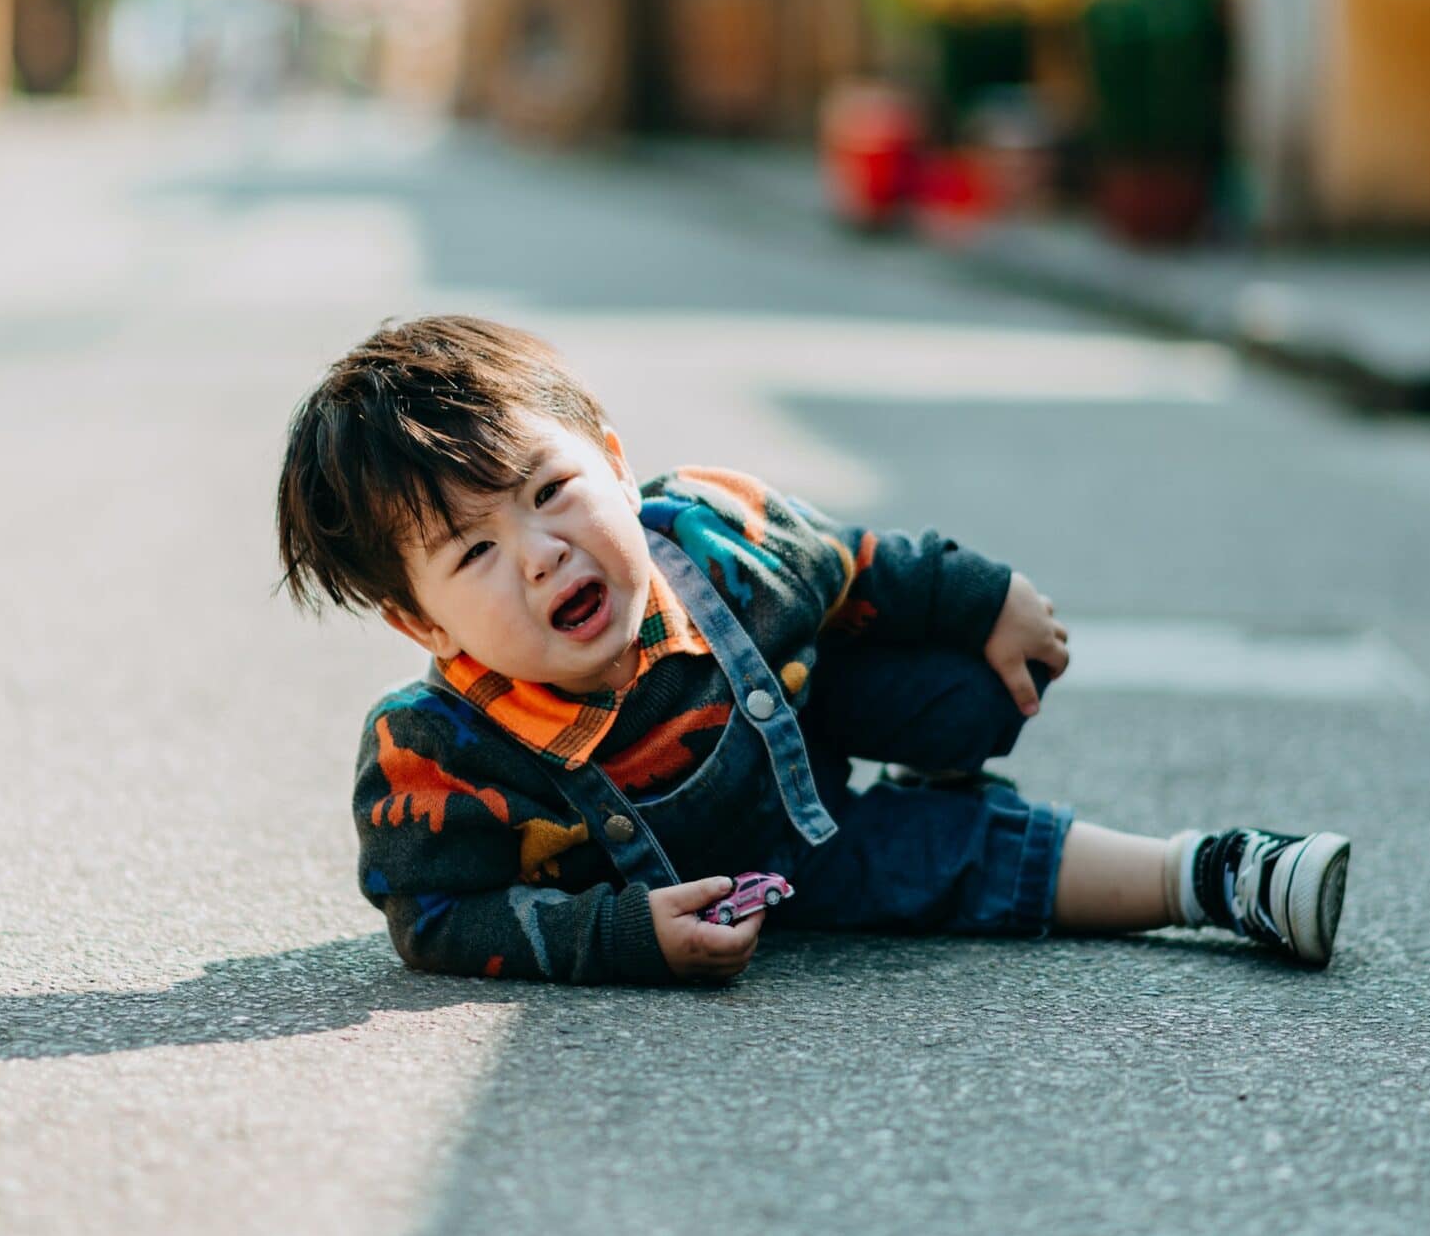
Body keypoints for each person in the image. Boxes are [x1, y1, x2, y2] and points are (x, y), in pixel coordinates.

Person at [275, 314, 1351, 985]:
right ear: (422, 624)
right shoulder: (435, 754)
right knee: (969, 852)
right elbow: (438, 917)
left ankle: (944, 742)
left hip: (803, 721)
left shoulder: (709, 532)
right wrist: (624, 935)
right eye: (473, 552)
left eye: (551, 491)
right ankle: (1210, 872)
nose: (543, 553)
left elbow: (849, 560)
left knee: (973, 681)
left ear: (612, 460)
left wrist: (986, 598)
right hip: (787, 872)